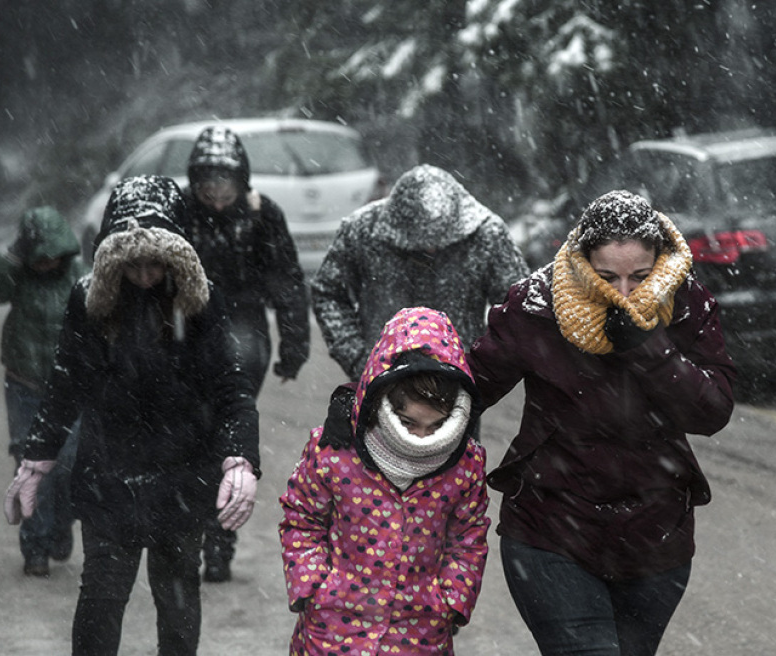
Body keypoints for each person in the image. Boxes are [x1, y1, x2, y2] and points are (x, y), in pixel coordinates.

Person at [465, 190, 737, 656]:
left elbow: (710, 410)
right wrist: (375, 411)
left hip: (655, 536)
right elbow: (469, 390)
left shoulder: (686, 299)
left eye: (640, 277)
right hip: (549, 529)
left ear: (661, 261)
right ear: (582, 262)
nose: (624, 294)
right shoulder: (535, 304)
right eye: (607, 276)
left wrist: (648, 347)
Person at [3, 175, 260, 656]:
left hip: (183, 478)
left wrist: (240, 459)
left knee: (178, 599)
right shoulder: (89, 302)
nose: (144, 274)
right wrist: (36, 460)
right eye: (131, 264)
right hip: (109, 477)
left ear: (176, 256)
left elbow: (232, 387)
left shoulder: (202, 302)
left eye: (155, 263)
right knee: (101, 597)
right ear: (111, 261)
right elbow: (65, 383)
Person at [279, 306, 489, 655]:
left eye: (435, 426)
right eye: (408, 423)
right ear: (382, 402)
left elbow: (469, 536)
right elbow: (301, 517)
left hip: (421, 631)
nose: (421, 438)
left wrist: (452, 600)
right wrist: (312, 586)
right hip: (332, 629)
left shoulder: (464, 463)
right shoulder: (334, 450)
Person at [180, 125, 310, 583]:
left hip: (244, 334)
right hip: (186, 335)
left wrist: (294, 343)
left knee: (229, 433)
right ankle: (191, 532)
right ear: (195, 182)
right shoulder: (181, 215)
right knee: (189, 435)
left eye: (225, 183)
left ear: (241, 181)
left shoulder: (261, 216)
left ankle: (219, 539)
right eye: (207, 183)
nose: (216, 193)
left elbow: (288, 281)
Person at [311, 163, 528, 381]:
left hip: (457, 385)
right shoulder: (362, 230)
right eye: (419, 244)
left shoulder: (486, 235)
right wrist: (358, 359)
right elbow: (328, 293)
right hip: (378, 380)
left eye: (439, 243)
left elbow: (517, 312)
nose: (430, 250)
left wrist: (480, 369)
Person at [0, 205, 86, 578]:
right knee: (30, 463)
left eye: (49, 256)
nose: (43, 264)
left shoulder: (78, 275)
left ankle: (61, 525)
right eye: (36, 257)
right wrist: (13, 256)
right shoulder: (17, 275)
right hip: (24, 383)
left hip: (69, 387)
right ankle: (35, 546)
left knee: (69, 463)